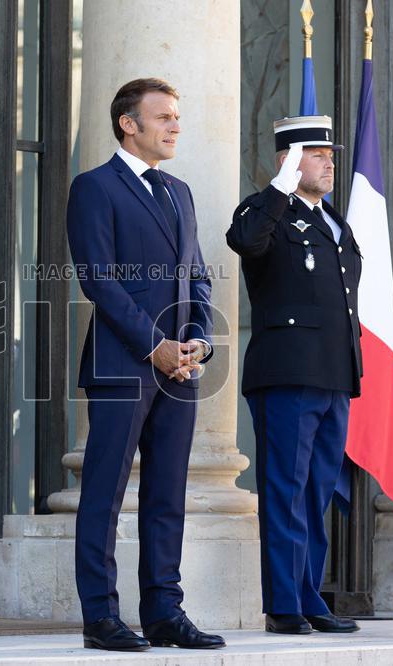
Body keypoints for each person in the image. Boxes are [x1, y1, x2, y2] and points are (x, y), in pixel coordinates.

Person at [65, 78, 223, 652]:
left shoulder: (180, 191)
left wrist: (198, 341)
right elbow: (97, 281)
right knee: (103, 492)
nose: (175, 126)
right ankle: (101, 618)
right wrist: (154, 344)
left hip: (180, 369)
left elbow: (197, 276)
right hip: (120, 363)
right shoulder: (94, 187)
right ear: (128, 123)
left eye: (177, 116)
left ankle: (163, 610)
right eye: (163, 117)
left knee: (166, 493)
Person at [226, 115, 363, 635]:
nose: (329, 161)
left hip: (333, 374)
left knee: (316, 491)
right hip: (287, 373)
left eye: (331, 154)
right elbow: (246, 241)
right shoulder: (267, 214)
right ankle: (283, 605)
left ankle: (310, 596)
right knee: (284, 489)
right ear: (289, 160)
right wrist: (278, 188)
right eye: (315, 153)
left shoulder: (334, 224)